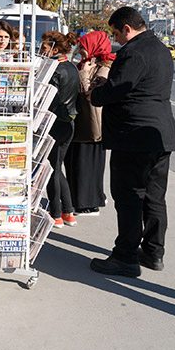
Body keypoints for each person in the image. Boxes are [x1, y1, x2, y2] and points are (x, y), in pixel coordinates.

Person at [87, 7, 175, 277]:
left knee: (128, 196)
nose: (117, 39)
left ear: (127, 28)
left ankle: (125, 256)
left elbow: (117, 89)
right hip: (160, 134)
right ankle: (153, 251)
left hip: (133, 136)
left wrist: (96, 91)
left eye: (116, 33)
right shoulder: (161, 49)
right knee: (154, 196)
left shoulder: (134, 52)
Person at [65, 30, 114, 216]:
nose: (82, 49)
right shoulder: (86, 63)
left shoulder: (105, 66)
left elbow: (91, 94)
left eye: (85, 46)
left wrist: (84, 74)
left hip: (93, 124)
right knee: (76, 162)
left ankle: (89, 202)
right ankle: (77, 199)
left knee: (87, 165)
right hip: (80, 122)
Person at [40, 31, 81, 228]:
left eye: (44, 48)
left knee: (51, 169)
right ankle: (68, 212)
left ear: (55, 49)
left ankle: (56, 213)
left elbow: (49, 99)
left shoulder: (54, 70)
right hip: (68, 123)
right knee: (57, 166)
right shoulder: (72, 67)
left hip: (55, 123)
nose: (41, 51)